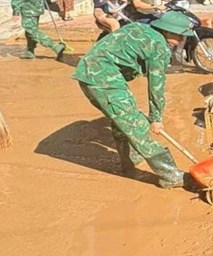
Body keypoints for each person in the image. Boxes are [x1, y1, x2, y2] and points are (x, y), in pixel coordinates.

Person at [72, 12, 195, 188]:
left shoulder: (140, 27)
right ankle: (171, 176)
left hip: (87, 72)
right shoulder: (159, 46)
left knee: (122, 119)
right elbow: (156, 87)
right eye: (180, 34)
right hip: (102, 78)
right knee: (138, 126)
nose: (183, 39)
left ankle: (129, 162)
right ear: (167, 31)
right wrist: (156, 118)